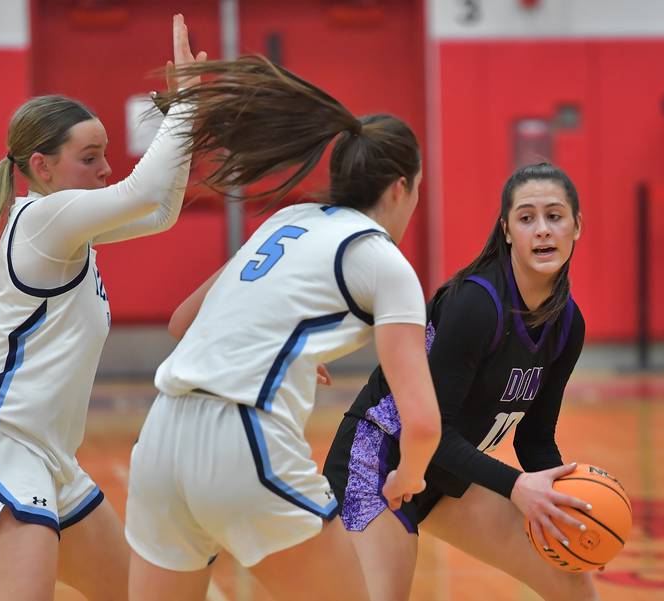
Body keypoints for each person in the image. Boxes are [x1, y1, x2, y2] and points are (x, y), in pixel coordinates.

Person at [123, 56, 442, 601]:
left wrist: (276, 347)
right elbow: (423, 423)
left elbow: (183, 322)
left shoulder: (285, 220)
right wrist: (409, 477)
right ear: (399, 187)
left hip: (159, 441)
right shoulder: (385, 262)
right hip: (240, 443)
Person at [0, 15, 205, 601]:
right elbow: (140, 192)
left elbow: (158, 212)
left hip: (53, 458)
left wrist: (187, 114)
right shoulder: (41, 220)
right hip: (4, 443)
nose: (106, 169)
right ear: (41, 167)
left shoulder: (65, 230)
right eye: (90, 158)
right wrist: (181, 105)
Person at [324, 162, 600, 601]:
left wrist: (560, 507)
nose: (542, 230)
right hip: (379, 463)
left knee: (572, 583)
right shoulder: (475, 304)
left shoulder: (568, 324)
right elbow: (435, 430)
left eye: (555, 216)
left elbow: (535, 439)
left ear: (576, 226)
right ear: (507, 231)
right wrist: (515, 487)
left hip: (444, 473)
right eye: (527, 218)